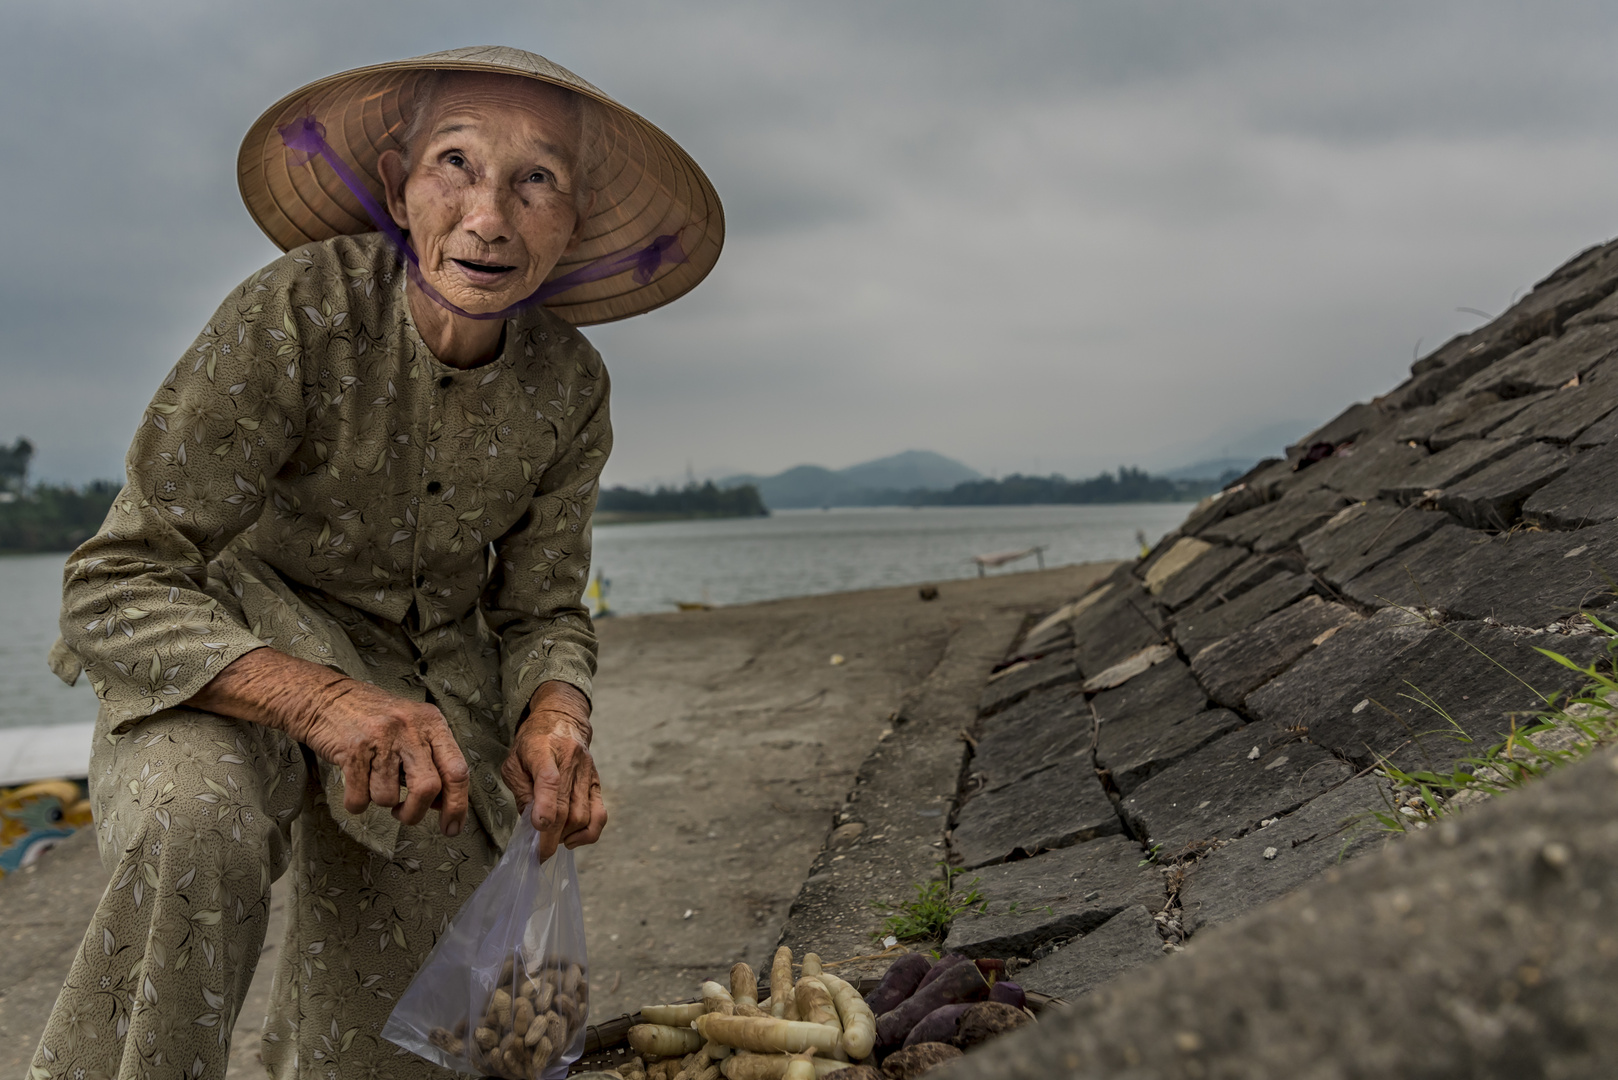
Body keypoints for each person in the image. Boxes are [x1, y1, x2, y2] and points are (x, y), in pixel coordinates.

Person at [31, 46, 722, 1079]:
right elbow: (115, 577)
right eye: (456, 163)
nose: (489, 216)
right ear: (400, 184)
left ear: (571, 221)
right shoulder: (298, 310)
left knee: (461, 1035)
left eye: (538, 179)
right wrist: (320, 705)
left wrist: (555, 719)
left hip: (424, 694)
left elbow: (542, 610)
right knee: (196, 825)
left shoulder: (570, 384)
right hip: (228, 645)